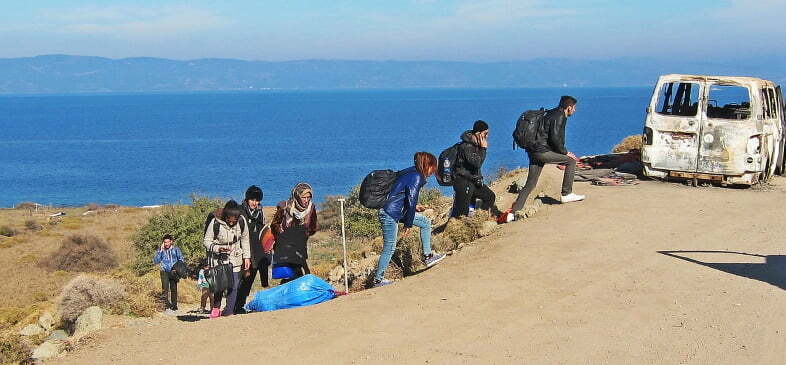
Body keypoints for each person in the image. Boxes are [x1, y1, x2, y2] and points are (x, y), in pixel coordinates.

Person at [374, 152, 446, 287]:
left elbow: (403, 197)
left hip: (396, 211)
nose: (433, 171)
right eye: (433, 167)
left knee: (425, 223)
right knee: (389, 247)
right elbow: (411, 201)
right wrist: (408, 224)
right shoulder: (416, 176)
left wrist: (416, 207)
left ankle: (428, 256)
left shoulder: (411, 173)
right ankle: (378, 280)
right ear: (427, 165)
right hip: (390, 213)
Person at [507, 95, 585, 220]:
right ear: (569, 107)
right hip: (542, 152)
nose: (575, 110)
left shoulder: (550, 113)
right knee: (570, 161)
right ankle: (567, 194)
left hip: (533, 151)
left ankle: (512, 213)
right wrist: (565, 152)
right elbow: (555, 138)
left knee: (530, 184)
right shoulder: (560, 116)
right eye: (574, 108)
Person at [203, 200, 251, 318]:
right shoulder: (215, 222)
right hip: (218, 259)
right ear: (225, 215)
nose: (231, 222)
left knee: (233, 285)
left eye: (234, 220)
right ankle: (216, 308)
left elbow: (245, 239)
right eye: (229, 219)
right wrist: (218, 248)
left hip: (235, 257)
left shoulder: (241, 221)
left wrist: (247, 257)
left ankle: (229, 311)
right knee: (220, 285)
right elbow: (206, 241)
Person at [452, 120, 501, 218]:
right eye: (485, 134)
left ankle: (480, 218)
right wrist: (483, 149)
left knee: (489, 196)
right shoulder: (467, 147)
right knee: (461, 214)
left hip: (473, 182)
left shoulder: (474, 145)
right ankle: (457, 227)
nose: (487, 136)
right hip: (463, 183)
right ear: (478, 133)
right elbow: (477, 163)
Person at [270, 183, 318, 284]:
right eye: (303, 197)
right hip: (285, 246)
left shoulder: (311, 208)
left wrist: (304, 233)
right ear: (296, 196)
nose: (306, 200)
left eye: (308, 197)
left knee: (298, 273)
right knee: (290, 274)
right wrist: (283, 235)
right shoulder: (284, 207)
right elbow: (274, 225)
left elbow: (313, 226)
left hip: (299, 246)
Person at [234, 185, 267, 314]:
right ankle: (233, 305)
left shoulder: (259, 213)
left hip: (256, 252)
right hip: (242, 251)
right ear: (247, 199)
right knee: (239, 280)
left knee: (249, 280)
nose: (255, 203)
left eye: (257, 200)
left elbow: (261, 231)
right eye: (252, 199)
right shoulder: (240, 211)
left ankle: (240, 305)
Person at [152, 234, 183, 312]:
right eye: (165, 242)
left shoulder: (176, 249)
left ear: (171, 242)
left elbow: (181, 259)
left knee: (174, 289)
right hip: (164, 271)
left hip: (174, 271)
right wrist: (160, 251)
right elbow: (156, 261)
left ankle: (174, 306)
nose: (166, 244)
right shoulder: (161, 250)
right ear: (163, 243)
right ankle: (165, 306)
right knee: (165, 289)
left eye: (168, 242)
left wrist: (177, 269)